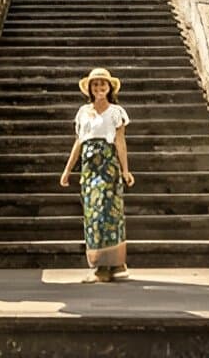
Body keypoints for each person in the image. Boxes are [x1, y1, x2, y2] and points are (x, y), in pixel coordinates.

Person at [59, 67, 135, 283]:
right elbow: (79, 141)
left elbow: (120, 142)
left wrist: (125, 169)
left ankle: (111, 263)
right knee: (92, 214)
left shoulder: (115, 112)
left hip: (108, 163)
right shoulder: (83, 112)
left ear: (109, 87)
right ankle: (101, 263)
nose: (99, 87)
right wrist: (67, 170)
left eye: (103, 84)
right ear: (90, 89)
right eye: (95, 84)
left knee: (109, 211)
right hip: (88, 165)